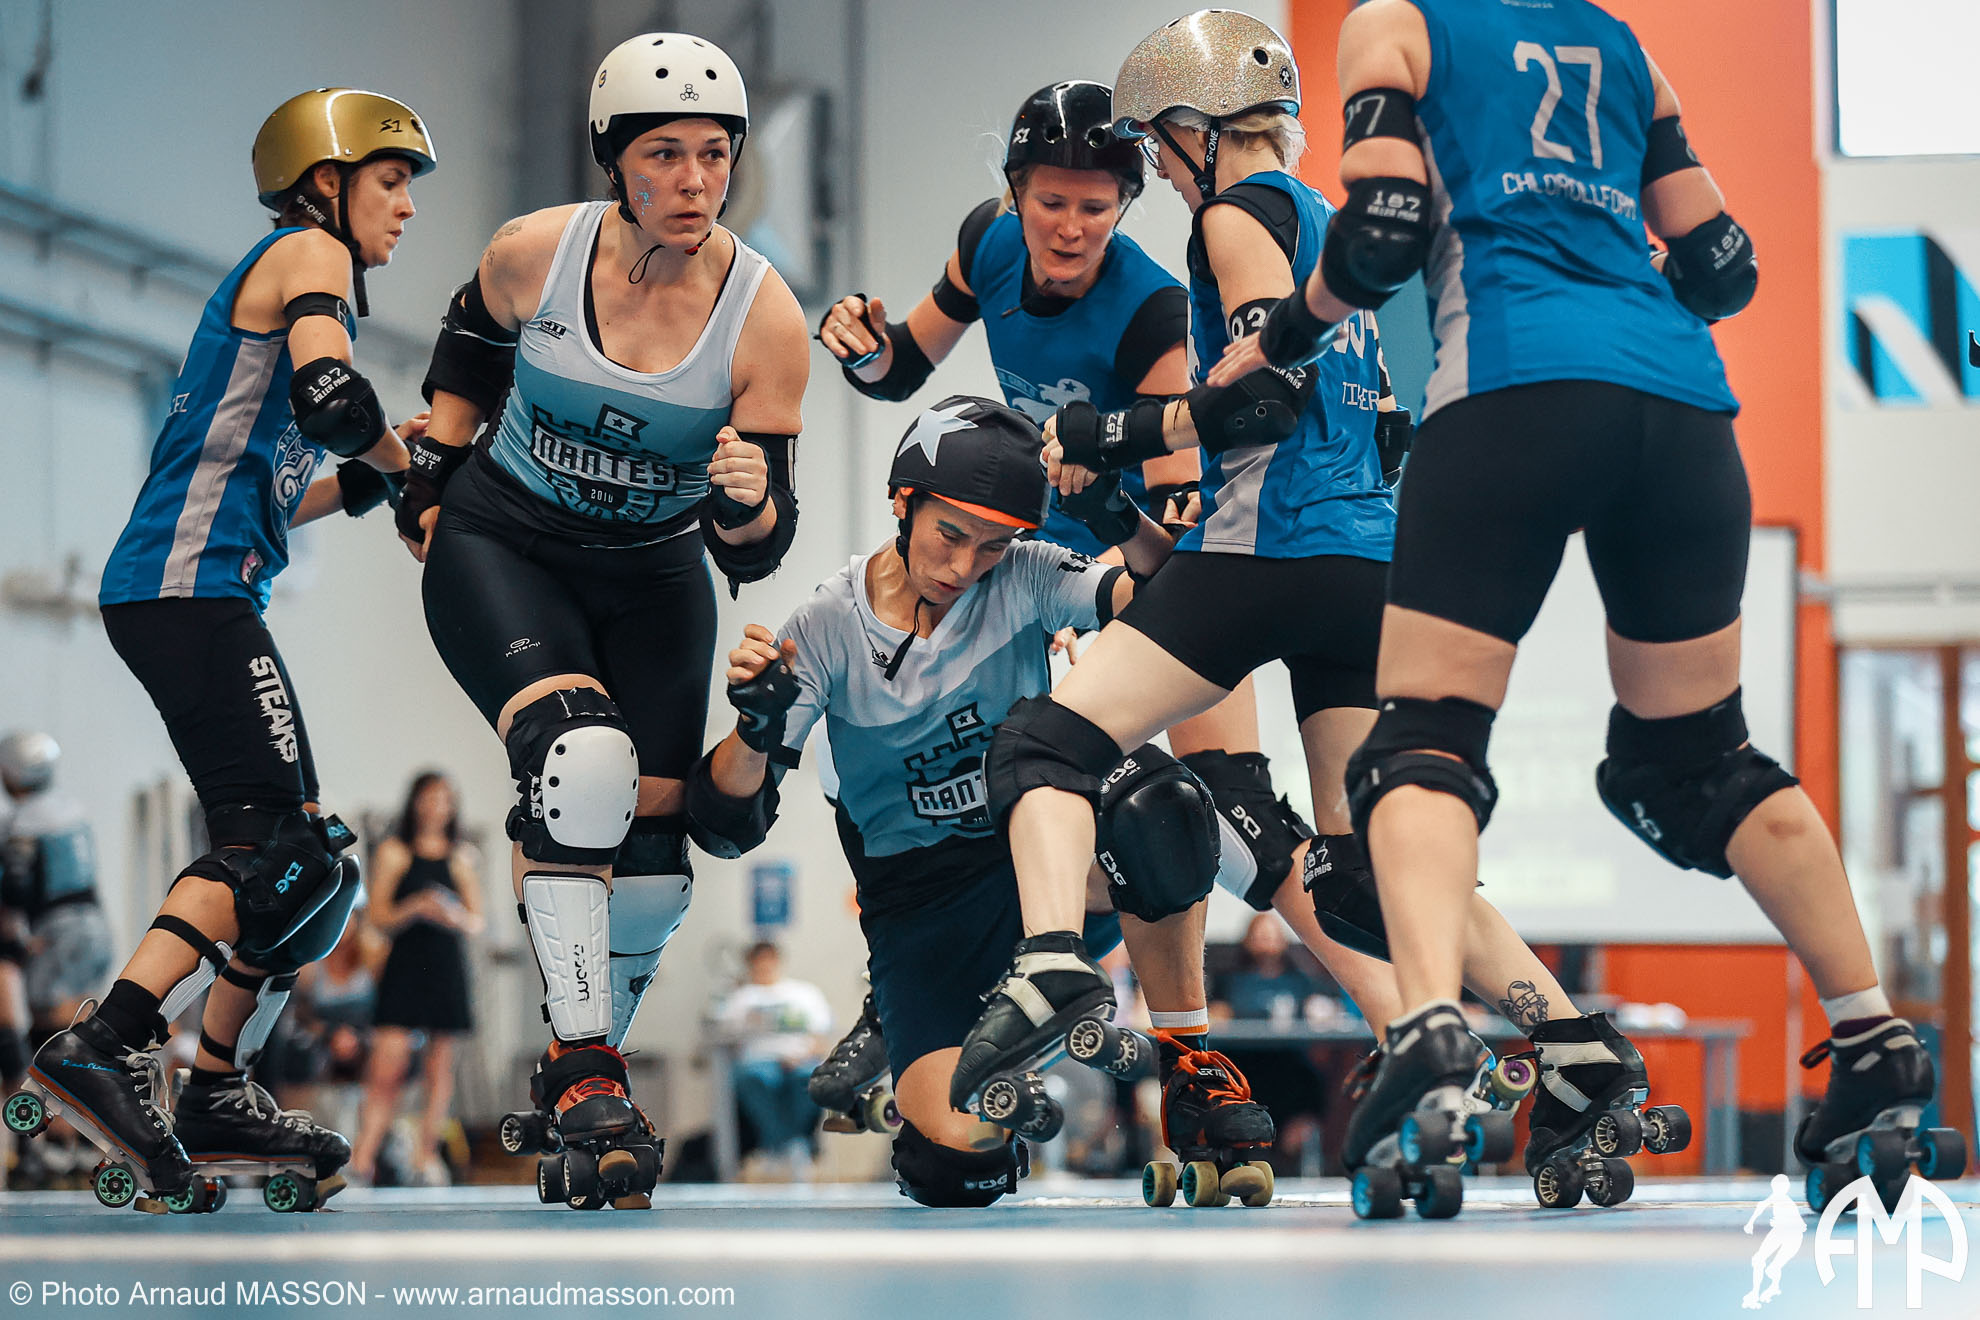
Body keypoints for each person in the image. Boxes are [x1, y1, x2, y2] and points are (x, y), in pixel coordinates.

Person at [1216, 0, 1950, 1208]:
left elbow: (1382, 236)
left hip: (1514, 387)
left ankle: (1430, 1034)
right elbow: (1721, 267)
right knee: (1701, 760)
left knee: (1423, 742)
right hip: (1682, 410)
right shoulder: (1624, 48)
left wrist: (1288, 334)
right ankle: (1875, 1040)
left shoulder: (1398, 24)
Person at [954, 9, 1622, 1158]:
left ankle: (1055, 963)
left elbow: (1267, 397)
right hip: (1367, 565)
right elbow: (1389, 419)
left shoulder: (1236, 214)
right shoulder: (1326, 220)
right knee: (1359, 868)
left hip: (1265, 549)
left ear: (1198, 126)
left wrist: (1110, 432)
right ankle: (1573, 1047)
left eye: (1161, 147)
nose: (1163, 174)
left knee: (1044, 748)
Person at [401, 32, 807, 1209]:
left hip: (653, 573)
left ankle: (582, 1072)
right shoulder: (536, 251)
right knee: (580, 765)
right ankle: (587, 1072)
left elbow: (760, 547)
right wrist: (433, 473)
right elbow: (469, 344)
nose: (694, 179)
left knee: (656, 854)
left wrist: (746, 501)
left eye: (715, 154)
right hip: (506, 546)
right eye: (665, 153)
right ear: (615, 160)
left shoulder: (764, 317)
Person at [695, 396, 1277, 1206]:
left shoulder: (1027, 575)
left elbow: (1184, 605)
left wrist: (1117, 514)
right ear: (902, 502)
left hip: (1040, 877)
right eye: (951, 535)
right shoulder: (826, 627)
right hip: (922, 910)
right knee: (956, 1170)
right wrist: (755, 730)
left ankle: (1189, 1067)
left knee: (1159, 805)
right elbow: (725, 827)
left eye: (994, 544)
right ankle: (918, 1043)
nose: (966, 567)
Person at [21, 89, 434, 1203]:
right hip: (184, 589)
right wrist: (407, 467)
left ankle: (214, 1091)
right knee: (271, 851)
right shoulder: (310, 253)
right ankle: (102, 1044)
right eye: (391, 182)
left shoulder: (294, 277)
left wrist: (379, 479)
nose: (405, 208)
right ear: (326, 183)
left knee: (311, 870)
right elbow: (335, 397)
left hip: (196, 586)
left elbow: (284, 483)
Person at [816, 79, 1317, 957]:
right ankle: (929, 984)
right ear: (1014, 194)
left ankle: (1392, 1012)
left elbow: (1174, 519)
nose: (1071, 229)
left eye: (1096, 207)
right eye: (1050, 202)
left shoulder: (1151, 311)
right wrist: (859, 343)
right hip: (1029, 574)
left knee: (1236, 826)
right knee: (878, 753)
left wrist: (1098, 579)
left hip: (1132, 574)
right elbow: (900, 368)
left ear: (1125, 206)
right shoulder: (988, 243)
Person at [349, 772, 482, 1186]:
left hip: (445, 966)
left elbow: (476, 921)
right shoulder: (394, 852)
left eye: (444, 799)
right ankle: (363, 1157)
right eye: (429, 798)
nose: (436, 807)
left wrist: (450, 913)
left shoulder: (461, 856)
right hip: (406, 966)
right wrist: (416, 907)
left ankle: (426, 1155)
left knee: (439, 1070)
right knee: (386, 1067)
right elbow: (377, 916)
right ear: (415, 802)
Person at [712, 942, 832, 1179]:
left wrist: (803, 1056)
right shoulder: (740, 998)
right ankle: (786, 1145)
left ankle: (786, 1145)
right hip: (758, 1062)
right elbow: (727, 1040)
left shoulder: (805, 994)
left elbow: (821, 1038)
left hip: (800, 1060)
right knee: (755, 1080)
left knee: (811, 1080)